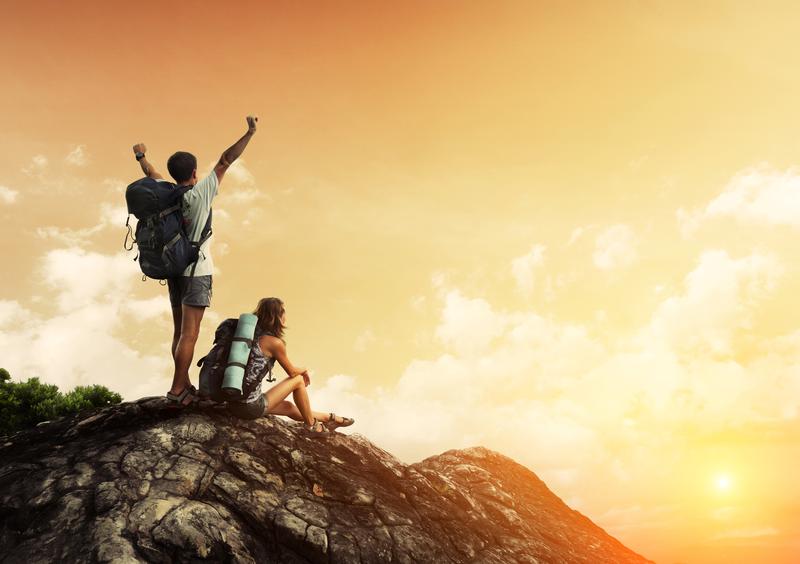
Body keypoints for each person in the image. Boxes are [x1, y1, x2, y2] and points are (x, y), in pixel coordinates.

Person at [132, 116, 258, 406]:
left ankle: (183, 382)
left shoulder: (167, 193)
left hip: (174, 269)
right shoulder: (200, 193)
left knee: (179, 332)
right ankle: (178, 389)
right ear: (194, 172)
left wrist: (141, 156)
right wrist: (249, 133)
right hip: (196, 271)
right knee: (190, 334)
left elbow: (152, 174)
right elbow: (226, 160)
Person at [227, 297, 355, 433]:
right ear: (277, 317)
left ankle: (328, 418)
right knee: (298, 380)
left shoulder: (247, 337)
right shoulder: (274, 343)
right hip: (249, 406)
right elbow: (293, 373)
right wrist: (304, 369)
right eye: (284, 313)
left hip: (232, 402)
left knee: (288, 407)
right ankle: (312, 426)